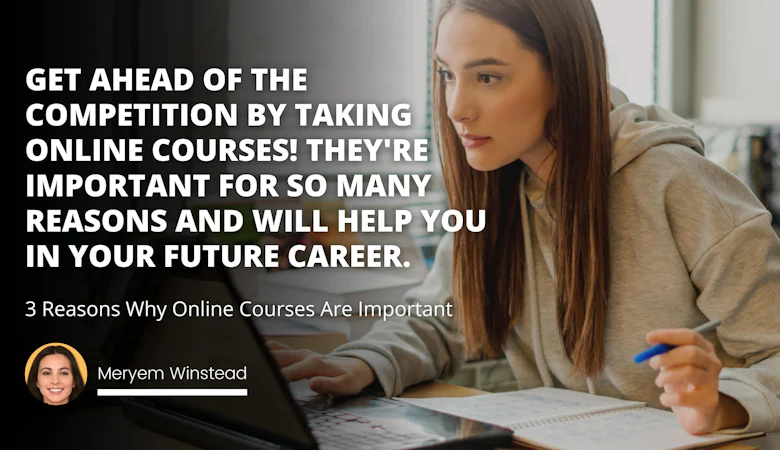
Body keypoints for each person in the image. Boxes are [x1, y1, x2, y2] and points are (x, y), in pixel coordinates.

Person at [267, 0, 779, 438]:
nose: (456, 107)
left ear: (565, 74)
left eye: (487, 76)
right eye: (448, 74)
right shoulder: (499, 183)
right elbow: (440, 320)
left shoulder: (679, 183)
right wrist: (360, 363)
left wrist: (721, 403)